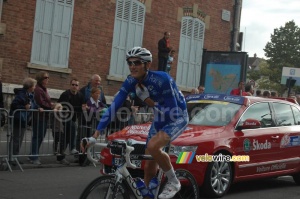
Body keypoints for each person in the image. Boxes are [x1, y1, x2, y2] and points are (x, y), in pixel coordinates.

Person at [82, 47, 188, 198]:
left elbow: (173, 111)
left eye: (137, 62)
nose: (132, 66)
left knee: (153, 146)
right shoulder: (131, 80)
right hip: (159, 118)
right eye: (130, 63)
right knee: (149, 168)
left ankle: (173, 180)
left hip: (177, 116)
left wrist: (149, 101)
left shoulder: (162, 79)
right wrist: (96, 134)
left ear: (148, 64)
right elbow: (114, 106)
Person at [29, 71, 54, 165]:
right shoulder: (38, 89)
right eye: (45, 78)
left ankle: (33, 154)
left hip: (44, 116)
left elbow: (46, 101)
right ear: (40, 79)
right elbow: (41, 102)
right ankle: (34, 156)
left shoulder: (44, 89)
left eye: (48, 77)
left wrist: (51, 104)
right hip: (39, 116)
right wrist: (51, 106)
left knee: (40, 136)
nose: (47, 79)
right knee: (37, 136)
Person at [9, 77, 37, 164]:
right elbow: (14, 105)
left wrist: (39, 108)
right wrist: (23, 107)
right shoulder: (22, 94)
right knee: (16, 138)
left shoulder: (30, 95)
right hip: (18, 119)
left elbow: (34, 105)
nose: (35, 87)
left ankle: (15, 156)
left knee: (19, 139)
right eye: (34, 86)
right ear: (30, 87)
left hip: (24, 119)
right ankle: (11, 157)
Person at [57, 78, 85, 155]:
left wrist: (74, 108)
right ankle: (72, 148)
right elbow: (66, 107)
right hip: (63, 118)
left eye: (76, 85)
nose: (74, 86)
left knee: (66, 137)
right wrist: (76, 108)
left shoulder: (80, 95)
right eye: (73, 84)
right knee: (72, 128)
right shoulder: (65, 94)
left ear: (78, 87)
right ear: (70, 85)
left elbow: (82, 107)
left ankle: (61, 156)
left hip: (73, 118)